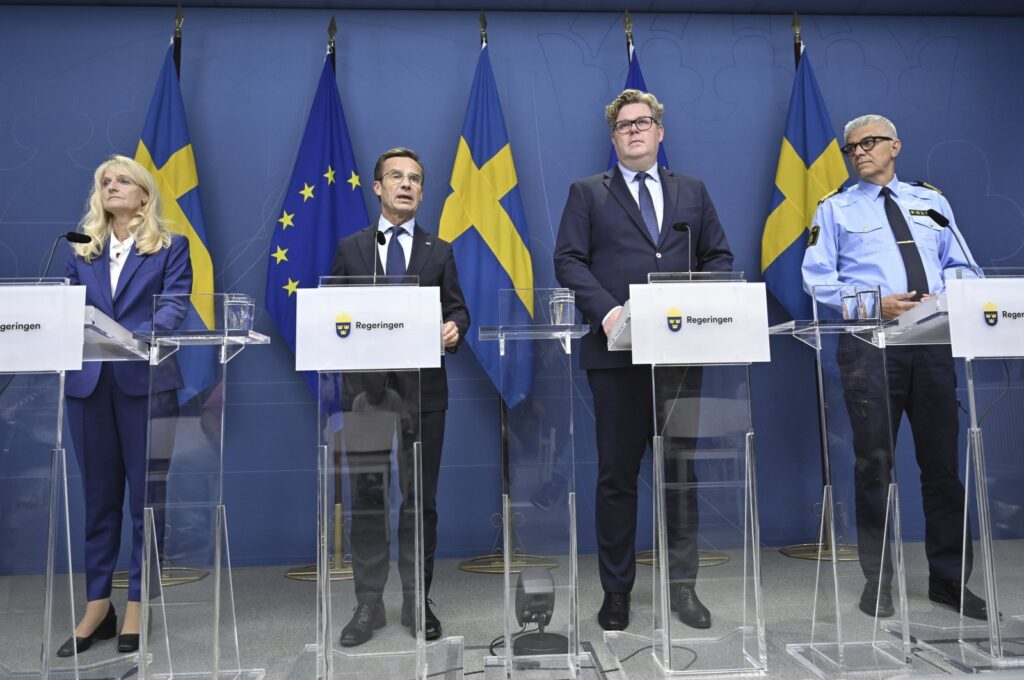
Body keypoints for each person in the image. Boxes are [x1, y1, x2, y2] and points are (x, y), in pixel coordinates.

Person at [554, 90, 733, 631]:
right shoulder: (587, 192)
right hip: (616, 353)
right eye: (624, 125)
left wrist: (695, 301)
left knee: (681, 474)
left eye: (643, 122)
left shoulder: (692, 191)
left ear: (660, 132)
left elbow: (719, 256)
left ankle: (684, 590)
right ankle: (616, 592)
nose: (634, 130)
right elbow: (568, 259)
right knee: (616, 476)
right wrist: (609, 313)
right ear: (614, 140)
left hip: (680, 354)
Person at [802, 114, 986, 619]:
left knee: (943, 468)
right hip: (870, 344)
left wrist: (942, 302)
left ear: (895, 146)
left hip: (932, 342)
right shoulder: (834, 208)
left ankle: (949, 580)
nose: (859, 152)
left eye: (870, 143)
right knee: (874, 466)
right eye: (851, 148)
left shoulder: (932, 202)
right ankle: (878, 580)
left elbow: (963, 265)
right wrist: (873, 305)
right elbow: (816, 279)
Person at [328, 147, 469, 646]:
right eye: (396, 177)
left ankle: (415, 599)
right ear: (378, 187)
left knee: (419, 501)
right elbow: (333, 317)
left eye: (415, 178)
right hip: (364, 396)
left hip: (423, 393)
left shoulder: (440, 250)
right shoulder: (351, 248)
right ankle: (369, 605)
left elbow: (459, 310)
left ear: (422, 192)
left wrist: (455, 327)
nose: (406, 184)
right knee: (368, 498)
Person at [61, 155, 191, 656]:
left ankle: (138, 602)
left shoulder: (169, 247)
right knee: (98, 500)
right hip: (89, 385)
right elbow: (67, 306)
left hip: (146, 381)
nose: (112, 187)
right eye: (105, 182)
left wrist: (135, 335)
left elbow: (176, 303)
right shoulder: (81, 251)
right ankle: (98, 604)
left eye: (122, 181)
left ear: (143, 194)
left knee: (146, 501)